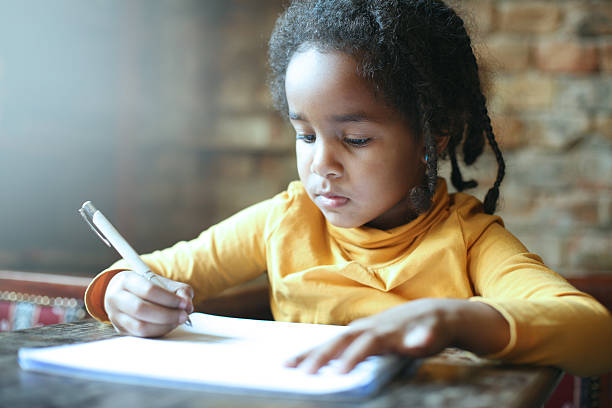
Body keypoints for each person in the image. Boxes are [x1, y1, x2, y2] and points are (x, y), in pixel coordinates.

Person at [84, 0, 612, 377]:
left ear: (433, 136)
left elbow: (593, 331)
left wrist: (454, 318)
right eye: (305, 134)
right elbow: (148, 272)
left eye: (356, 139)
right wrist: (122, 293)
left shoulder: (468, 241)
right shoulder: (284, 221)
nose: (322, 165)